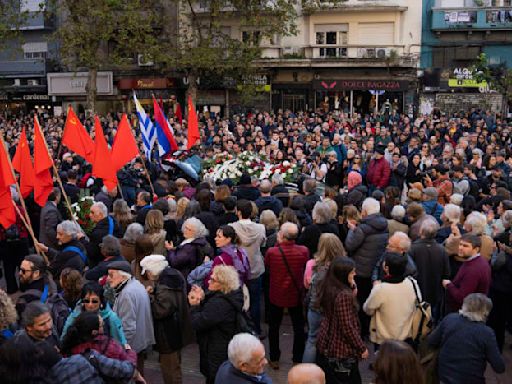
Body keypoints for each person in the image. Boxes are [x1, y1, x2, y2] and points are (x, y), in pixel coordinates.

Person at [428, 293, 505, 384]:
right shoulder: (487, 333)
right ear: (485, 312)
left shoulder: (450, 319)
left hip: (443, 377)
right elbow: (499, 368)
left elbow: (431, 341)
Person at [140, 255, 194, 384]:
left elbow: (161, 311)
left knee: (170, 370)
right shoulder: (174, 276)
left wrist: (149, 297)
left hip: (168, 334)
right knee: (175, 367)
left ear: (151, 271)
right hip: (177, 330)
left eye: (147, 272)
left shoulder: (164, 285)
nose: (147, 276)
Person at [189, 265, 244, 384]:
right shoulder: (229, 295)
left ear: (222, 284)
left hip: (216, 351)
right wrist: (203, 298)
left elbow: (198, 322)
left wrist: (194, 305)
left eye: (213, 280)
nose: (209, 280)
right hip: (223, 346)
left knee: (215, 378)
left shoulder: (220, 304)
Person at [316, 257, 368, 383]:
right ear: (344, 274)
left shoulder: (329, 286)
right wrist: (361, 347)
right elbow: (347, 326)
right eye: (352, 272)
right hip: (341, 349)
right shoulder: (344, 295)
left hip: (327, 343)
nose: (355, 274)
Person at [265, 222, 309, 368]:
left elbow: (268, 266)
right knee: (298, 327)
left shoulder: (272, 252)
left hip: (276, 294)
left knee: (274, 327)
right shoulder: (303, 251)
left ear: (282, 235)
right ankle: (297, 358)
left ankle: (275, 358)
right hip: (295, 294)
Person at [344, 197, 388, 336]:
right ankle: (369, 328)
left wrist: (352, 230)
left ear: (365, 211)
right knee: (371, 299)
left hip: (361, 269)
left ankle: (361, 331)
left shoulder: (362, 228)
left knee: (360, 301)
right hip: (375, 268)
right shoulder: (384, 225)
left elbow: (350, 245)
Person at [303, 234, 345, 363]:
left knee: (312, 339)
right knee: (335, 339)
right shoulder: (344, 265)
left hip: (316, 307)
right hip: (336, 309)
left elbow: (306, 285)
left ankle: (307, 373)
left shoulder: (312, 264)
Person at [107, 260, 155, 373]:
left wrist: (120, 349)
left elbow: (128, 328)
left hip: (132, 348)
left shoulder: (126, 294)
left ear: (123, 276)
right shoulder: (136, 285)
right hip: (140, 343)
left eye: (111, 275)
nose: (108, 278)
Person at [363, 252, 418, 347]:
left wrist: (375, 288)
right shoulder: (412, 283)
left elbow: (367, 309)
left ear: (386, 268)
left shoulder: (380, 289)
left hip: (384, 340)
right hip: (406, 336)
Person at [231, 199, 266, 336]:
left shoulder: (232, 227)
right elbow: (262, 244)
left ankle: (240, 330)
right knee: (255, 301)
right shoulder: (260, 228)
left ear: (238, 212)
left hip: (238, 269)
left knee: (238, 300)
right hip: (255, 267)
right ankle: (256, 329)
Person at [408, 218, 450, 321]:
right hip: (435, 293)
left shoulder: (412, 248)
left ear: (421, 231)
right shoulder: (441, 250)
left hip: (416, 292)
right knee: (431, 320)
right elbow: (447, 273)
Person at [61, 281, 127, 346]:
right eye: (87, 301)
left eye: (94, 301)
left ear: (101, 302)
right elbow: (64, 339)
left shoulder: (111, 318)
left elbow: (119, 344)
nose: (90, 305)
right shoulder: (75, 315)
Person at [61, 311, 137, 366]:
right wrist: (129, 351)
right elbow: (128, 365)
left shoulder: (71, 347)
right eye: (101, 325)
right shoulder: (108, 346)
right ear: (94, 332)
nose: (104, 325)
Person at [443, 234, 491, 313]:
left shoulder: (474, 269)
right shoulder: (476, 261)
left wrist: (448, 285)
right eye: (460, 244)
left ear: (476, 249)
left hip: (465, 314)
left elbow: (462, 298)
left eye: (465, 246)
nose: (460, 248)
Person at [86, 202, 122, 267]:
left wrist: (82, 240)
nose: (90, 215)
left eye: (92, 212)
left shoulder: (98, 233)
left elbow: (91, 253)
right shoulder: (112, 221)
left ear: (100, 215)